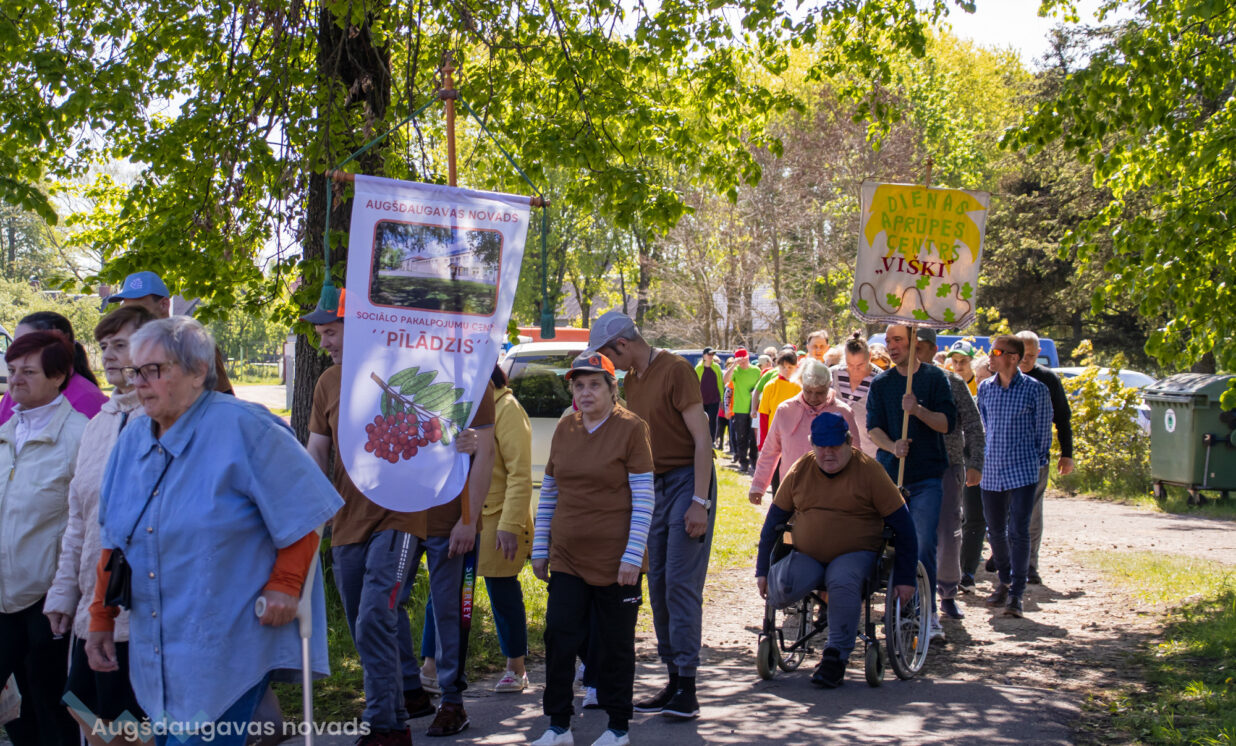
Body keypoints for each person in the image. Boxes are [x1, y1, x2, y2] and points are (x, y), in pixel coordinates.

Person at [85, 317, 342, 745]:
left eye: (155, 370)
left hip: (229, 641)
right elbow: (114, 540)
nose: (140, 383)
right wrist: (100, 616)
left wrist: (286, 583)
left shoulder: (247, 428)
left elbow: (306, 510)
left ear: (197, 371)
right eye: (135, 371)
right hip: (157, 649)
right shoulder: (131, 439)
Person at [301, 295, 433, 744]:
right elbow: (317, 449)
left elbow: (440, 428)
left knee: (377, 615)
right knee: (365, 624)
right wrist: (307, 508)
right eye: (320, 335)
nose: (324, 344)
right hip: (347, 521)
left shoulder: (402, 369)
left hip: (400, 517)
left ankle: (381, 724)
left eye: (330, 332)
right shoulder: (327, 382)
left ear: (358, 325)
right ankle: (395, 722)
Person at [589, 311, 714, 720]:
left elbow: (702, 439)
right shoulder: (631, 380)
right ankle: (673, 678)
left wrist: (700, 501)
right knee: (657, 582)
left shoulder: (676, 370)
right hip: (653, 486)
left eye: (608, 354)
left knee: (679, 583)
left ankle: (688, 687)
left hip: (687, 482)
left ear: (622, 344)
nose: (607, 363)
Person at [528, 352, 654, 746]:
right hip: (567, 555)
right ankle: (558, 725)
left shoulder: (632, 429)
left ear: (612, 389)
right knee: (559, 635)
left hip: (617, 560)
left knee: (615, 645)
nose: (585, 392)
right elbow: (550, 491)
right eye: (579, 385)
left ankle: (617, 727)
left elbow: (644, 497)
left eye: (594, 384)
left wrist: (633, 555)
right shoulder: (565, 428)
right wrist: (540, 546)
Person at [44, 306, 156, 744]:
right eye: (105, 346)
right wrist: (62, 593)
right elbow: (78, 520)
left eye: (120, 345)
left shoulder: (162, 421)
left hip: (142, 613)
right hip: (91, 608)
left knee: (134, 732)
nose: (108, 355)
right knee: (87, 717)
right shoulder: (98, 425)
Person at [754, 413, 918, 688]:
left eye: (835, 446)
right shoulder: (801, 469)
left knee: (841, 579)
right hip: (808, 554)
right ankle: (778, 634)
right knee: (782, 583)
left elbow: (904, 527)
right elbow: (773, 523)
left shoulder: (870, 471)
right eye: (821, 446)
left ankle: (835, 656)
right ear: (812, 444)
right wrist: (762, 570)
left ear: (849, 442)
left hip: (856, 553)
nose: (828, 453)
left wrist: (905, 577)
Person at [0, 331, 89, 745]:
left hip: (48, 599)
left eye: (28, 372)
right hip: (3, 593)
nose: (16, 379)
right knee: (15, 712)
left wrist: (66, 591)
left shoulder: (80, 435)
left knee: (50, 704)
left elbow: (86, 520)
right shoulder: (6, 430)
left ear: (58, 377)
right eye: (12, 369)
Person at [414, 377, 497, 737]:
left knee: (449, 611)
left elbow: (487, 453)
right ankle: (408, 688)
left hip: (450, 521)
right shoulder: (393, 365)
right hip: (399, 518)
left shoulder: (475, 379)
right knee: (380, 607)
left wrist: (468, 520)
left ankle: (452, 701)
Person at [865, 324, 956, 619]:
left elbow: (947, 423)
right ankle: (897, 604)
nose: (892, 346)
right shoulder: (881, 384)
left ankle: (926, 612)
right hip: (890, 478)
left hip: (927, 476)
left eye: (898, 340)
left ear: (914, 340)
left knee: (923, 541)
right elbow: (873, 428)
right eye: (888, 341)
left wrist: (917, 410)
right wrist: (893, 446)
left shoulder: (935, 378)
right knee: (887, 542)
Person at [913, 330, 984, 635]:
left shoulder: (953, 382)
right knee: (914, 533)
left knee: (948, 531)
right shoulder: (899, 382)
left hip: (948, 466)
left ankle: (947, 592)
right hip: (911, 468)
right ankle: (914, 594)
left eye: (921, 347)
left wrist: (975, 462)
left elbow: (974, 424)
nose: (916, 352)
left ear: (932, 349)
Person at [977, 335, 1053, 618]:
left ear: (1013, 357)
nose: (990, 356)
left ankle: (1017, 593)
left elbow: (1043, 432)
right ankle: (1004, 580)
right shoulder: (985, 388)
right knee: (995, 531)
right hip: (992, 470)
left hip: (1022, 470)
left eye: (996, 352)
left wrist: (1037, 461)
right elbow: (985, 424)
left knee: (1018, 530)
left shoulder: (1036, 390)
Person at [478, 365, 534, 693]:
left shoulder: (507, 408)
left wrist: (510, 524)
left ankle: (516, 666)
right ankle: (431, 666)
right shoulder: (461, 404)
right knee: (444, 594)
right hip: (463, 518)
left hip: (498, 519)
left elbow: (519, 473)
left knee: (502, 592)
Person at [748, 359, 860, 505]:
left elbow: (856, 454)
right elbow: (770, 450)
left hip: (832, 494)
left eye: (819, 392)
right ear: (802, 385)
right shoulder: (785, 410)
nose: (813, 398)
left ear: (829, 386)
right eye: (808, 391)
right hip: (793, 490)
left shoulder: (843, 412)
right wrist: (758, 486)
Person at [105, 270, 235, 395]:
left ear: (164, 304)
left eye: (139, 309)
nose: (131, 317)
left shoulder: (194, 344)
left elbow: (224, 401)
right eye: (127, 310)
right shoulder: (131, 349)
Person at [1015, 330, 1074, 584]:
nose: (1025, 360)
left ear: (1038, 353)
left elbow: (1063, 418)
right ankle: (1005, 557)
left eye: (1031, 355)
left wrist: (1067, 454)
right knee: (1003, 510)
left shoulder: (1048, 380)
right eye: (1022, 354)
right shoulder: (1003, 376)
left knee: (1032, 511)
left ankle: (1029, 565)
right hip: (1003, 455)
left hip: (1036, 456)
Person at [0, 311, 107, 425]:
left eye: (28, 344)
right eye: (16, 344)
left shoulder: (87, 398)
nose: (18, 351)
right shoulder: (16, 390)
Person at [832, 332, 881, 460]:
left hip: (870, 454)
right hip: (837, 452)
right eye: (850, 364)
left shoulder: (880, 380)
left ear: (870, 356)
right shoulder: (833, 374)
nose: (855, 370)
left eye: (860, 365)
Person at [721, 348, 761, 473]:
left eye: (744, 361)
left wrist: (755, 391)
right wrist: (734, 365)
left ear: (748, 358)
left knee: (753, 437)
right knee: (741, 436)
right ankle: (743, 461)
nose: (743, 364)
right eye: (740, 361)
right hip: (739, 409)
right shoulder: (735, 371)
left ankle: (754, 460)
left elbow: (760, 386)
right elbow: (725, 380)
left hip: (753, 407)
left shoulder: (756, 370)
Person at [757, 350, 801, 443]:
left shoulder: (800, 387)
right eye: (783, 367)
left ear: (796, 366)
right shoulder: (770, 386)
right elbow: (764, 415)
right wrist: (763, 442)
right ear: (778, 366)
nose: (786, 370)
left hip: (794, 436)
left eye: (790, 367)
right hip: (774, 436)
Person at [695, 348, 723, 443]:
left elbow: (720, 383)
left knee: (712, 420)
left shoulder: (717, 367)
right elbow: (695, 384)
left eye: (712, 354)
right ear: (704, 356)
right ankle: (701, 440)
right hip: (701, 400)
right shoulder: (698, 368)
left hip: (714, 399)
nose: (711, 356)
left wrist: (721, 399)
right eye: (709, 354)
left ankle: (712, 441)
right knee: (702, 421)